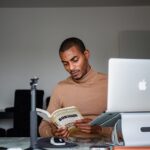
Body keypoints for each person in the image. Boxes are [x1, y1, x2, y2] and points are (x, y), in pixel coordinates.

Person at [39, 37, 112, 138]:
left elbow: (126, 127)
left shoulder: (109, 83)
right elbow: (43, 127)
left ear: (86, 55)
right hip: (70, 146)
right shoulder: (61, 88)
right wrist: (53, 133)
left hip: (103, 146)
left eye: (75, 60)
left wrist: (100, 130)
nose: (71, 68)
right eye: (65, 64)